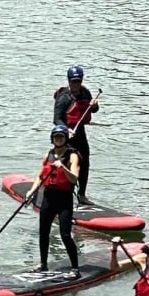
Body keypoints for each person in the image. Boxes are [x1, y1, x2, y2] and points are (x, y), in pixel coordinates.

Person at [32, 124, 81, 273]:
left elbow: (74, 179)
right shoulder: (48, 155)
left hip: (64, 200)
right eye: (56, 137)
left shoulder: (72, 155)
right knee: (43, 232)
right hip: (48, 198)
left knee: (65, 235)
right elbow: (40, 177)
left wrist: (63, 167)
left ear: (65, 138)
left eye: (61, 136)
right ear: (52, 139)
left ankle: (75, 267)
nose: (58, 139)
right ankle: (43, 264)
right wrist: (31, 191)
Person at [53, 64, 98, 205]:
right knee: (70, 163)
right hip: (66, 135)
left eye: (78, 81)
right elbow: (57, 119)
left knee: (85, 162)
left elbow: (93, 110)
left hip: (80, 133)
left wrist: (95, 105)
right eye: (73, 81)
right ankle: (64, 194)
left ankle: (81, 195)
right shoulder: (63, 98)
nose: (76, 84)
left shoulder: (85, 93)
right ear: (69, 81)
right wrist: (66, 130)